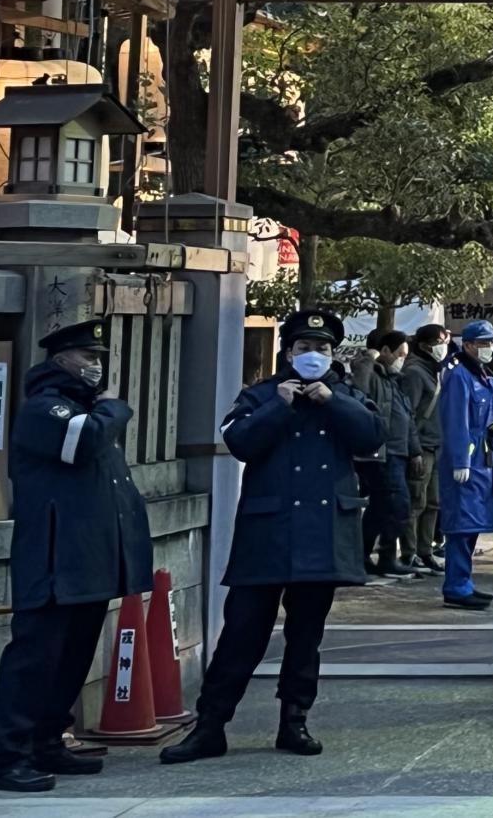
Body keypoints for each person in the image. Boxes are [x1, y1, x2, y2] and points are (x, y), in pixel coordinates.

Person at [163, 310, 383, 764]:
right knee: (242, 631)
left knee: (306, 636)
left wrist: (332, 401)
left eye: (321, 349)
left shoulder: (347, 395)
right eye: (304, 349)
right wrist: (277, 406)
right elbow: (240, 442)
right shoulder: (261, 395)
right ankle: (211, 725)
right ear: (288, 353)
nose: (313, 356)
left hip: (322, 534)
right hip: (268, 532)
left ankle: (294, 720)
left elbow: (371, 437)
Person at [0, 320, 152, 792]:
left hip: (88, 562)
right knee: (35, 660)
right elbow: (81, 444)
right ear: (61, 359)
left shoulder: (85, 408)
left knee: (72, 657)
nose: (95, 366)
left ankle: (47, 740)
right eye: (88, 357)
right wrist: (116, 410)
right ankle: (7, 753)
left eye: (99, 358)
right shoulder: (47, 408)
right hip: (53, 562)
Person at [437, 318, 493, 611]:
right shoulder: (459, 376)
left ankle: (462, 583)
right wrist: (460, 459)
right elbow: (455, 421)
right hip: (466, 461)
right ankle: (456, 587)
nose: (490, 347)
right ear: (467, 345)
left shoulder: (483, 375)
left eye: (492, 342)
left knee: (472, 524)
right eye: (484, 343)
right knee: (460, 527)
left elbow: (489, 416)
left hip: (483, 458)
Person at [358, 329, 418, 578]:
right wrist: (368, 358)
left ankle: (364, 556)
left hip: (398, 453)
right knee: (397, 506)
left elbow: (408, 419)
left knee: (380, 508)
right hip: (382, 454)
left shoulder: (394, 381)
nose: (403, 359)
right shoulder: (372, 375)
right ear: (384, 351)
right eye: (400, 354)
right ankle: (385, 557)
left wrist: (414, 452)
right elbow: (360, 386)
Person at [397, 322, 446, 572]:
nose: (443, 347)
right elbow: (409, 414)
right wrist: (413, 449)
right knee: (416, 501)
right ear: (426, 345)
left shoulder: (435, 370)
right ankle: (409, 552)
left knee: (434, 502)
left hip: (436, 445)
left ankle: (425, 550)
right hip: (421, 447)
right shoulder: (415, 372)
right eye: (440, 342)